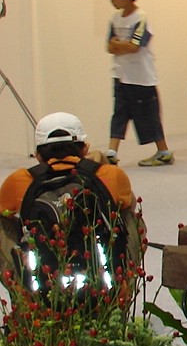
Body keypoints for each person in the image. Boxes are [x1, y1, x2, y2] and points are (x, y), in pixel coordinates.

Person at [0, 112, 136, 296]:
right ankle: (121, 290)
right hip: (101, 292)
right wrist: (102, 162)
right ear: (84, 149)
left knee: (3, 222)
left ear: (38, 155)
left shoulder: (20, 180)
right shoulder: (109, 174)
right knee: (129, 216)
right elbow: (130, 205)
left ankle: (24, 296)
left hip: (42, 292)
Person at [104, 0, 173, 167]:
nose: (112, 1)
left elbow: (136, 46)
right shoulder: (114, 18)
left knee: (148, 115)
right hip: (120, 75)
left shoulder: (141, 18)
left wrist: (119, 44)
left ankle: (163, 151)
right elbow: (109, 46)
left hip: (141, 77)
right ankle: (112, 151)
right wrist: (120, 46)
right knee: (119, 113)